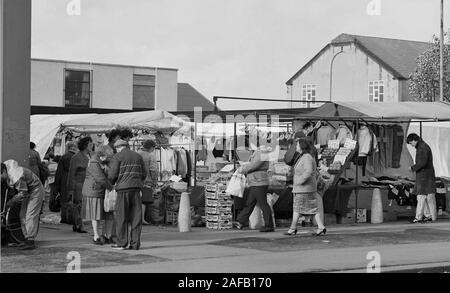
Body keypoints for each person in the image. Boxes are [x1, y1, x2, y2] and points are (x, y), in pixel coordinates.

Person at [108, 139, 146, 250]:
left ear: (118, 147)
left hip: (123, 190)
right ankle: (135, 244)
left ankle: (122, 242)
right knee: (136, 217)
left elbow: (112, 174)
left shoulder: (118, 156)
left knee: (121, 217)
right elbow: (144, 173)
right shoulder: (138, 156)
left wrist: (111, 183)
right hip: (136, 189)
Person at [285, 140, 326, 236]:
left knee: (297, 208)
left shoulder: (306, 157)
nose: (296, 147)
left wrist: (299, 181)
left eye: (297, 145)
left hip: (304, 188)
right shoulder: (305, 156)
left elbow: (308, 171)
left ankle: (292, 228)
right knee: (312, 208)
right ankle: (321, 227)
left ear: (302, 147)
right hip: (307, 188)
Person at [2, 160, 45, 250]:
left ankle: (30, 241)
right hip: (28, 191)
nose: (2, 179)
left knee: (30, 215)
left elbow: (22, 193)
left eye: (1, 177)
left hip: (35, 190)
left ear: (3, 171)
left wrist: (11, 201)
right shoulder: (6, 168)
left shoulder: (16, 176)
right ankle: (26, 238)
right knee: (22, 215)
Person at [234, 144, 275, 233]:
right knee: (250, 202)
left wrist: (243, 169)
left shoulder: (261, 152)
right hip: (256, 181)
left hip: (258, 182)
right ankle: (240, 221)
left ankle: (269, 225)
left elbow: (254, 165)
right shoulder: (260, 152)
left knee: (263, 204)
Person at [81, 145, 115, 245]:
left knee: (108, 214)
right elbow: (100, 178)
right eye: (107, 156)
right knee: (96, 215)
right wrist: (111, 187)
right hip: (94, 191)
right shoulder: (93, 162)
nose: (108, 159)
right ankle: (96, 236)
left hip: (102, 191)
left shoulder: (103, 161)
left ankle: (107, 235)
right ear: (101, 154)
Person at [407, 133, 437, 223]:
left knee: (420, 197)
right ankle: (428, 216)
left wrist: (412, 168)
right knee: (425, 196)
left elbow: (422, 163)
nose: (411, 145)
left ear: (414, 140)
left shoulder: (422, 148)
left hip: (424, 176)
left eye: (411, 143)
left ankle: (418, 217)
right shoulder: (423, 146)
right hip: (426, 175)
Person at [68, 137, 93, 233]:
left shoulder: (90, 156)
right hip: (78, 184)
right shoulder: (76, 157)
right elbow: (71, 173)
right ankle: (79, 225)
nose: (92, 146)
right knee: (78, 205)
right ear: (85, 145)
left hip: (86, 184)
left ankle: (77, 224)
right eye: (90, 144)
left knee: (81, 205)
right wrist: (70, 188)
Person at [54, 142, 78, 224]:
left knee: (64, 199)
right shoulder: (77, 157)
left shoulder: (64, 157)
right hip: (75, 179)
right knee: (74, 199)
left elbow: (59, 172)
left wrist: (57, 184)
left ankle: (64, 218)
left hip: (64, 179)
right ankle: (73, 218)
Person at [138, 139, 159, 225]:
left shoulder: (137, 154)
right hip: (147, 181)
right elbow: (153, 170)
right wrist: (154, 181)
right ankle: (142, 219)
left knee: (138, 201)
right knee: (144, 201)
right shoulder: (150, 156)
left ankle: (137, 218)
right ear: (151, 148)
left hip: (136, 181)